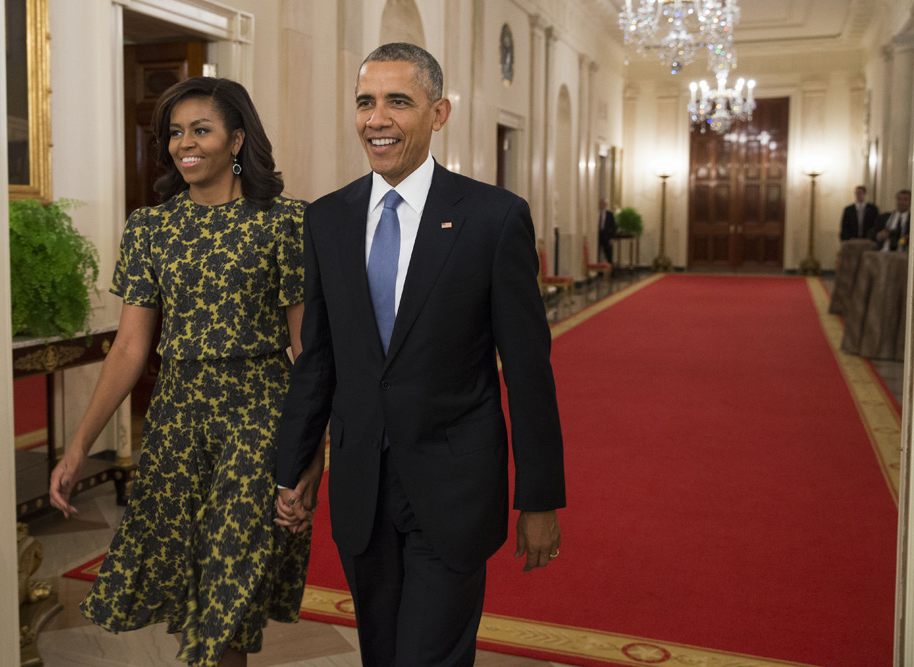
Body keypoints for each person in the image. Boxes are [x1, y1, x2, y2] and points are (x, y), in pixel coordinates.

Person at [274, 43, 566, 666]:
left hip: (453, 489)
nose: (376, 119)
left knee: (429, 658)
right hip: (362, 488)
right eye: (365, 102)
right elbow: (318, 356)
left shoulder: (493, 218)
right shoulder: (327, 219)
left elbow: (528, 370)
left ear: (439, 114)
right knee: (381, 653)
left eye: (397, 102)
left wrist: (539, 497)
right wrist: (295, 464)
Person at [48, 77, 325, 667]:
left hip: (259, 418)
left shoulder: (286, 222)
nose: (184, 144)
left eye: (201, 129)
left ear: (237, 139)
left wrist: (312, 456)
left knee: (229, 583)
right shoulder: (150, 229)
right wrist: (78, 447)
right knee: (188, 586)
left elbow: (307, 352)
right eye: (175, 132)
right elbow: (128, 349)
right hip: (176, 422)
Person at [597, 198, 617, 263]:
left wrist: (612, 238)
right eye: (600, 203)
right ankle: (599, 271)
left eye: (603, 203)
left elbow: (613, 226)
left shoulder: (609, 214)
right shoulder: (595, 213)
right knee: (597, 254)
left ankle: (610, 271)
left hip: (607, 237)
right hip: (598, 236)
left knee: (609, 255)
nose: (602, 205)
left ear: (606, 205)